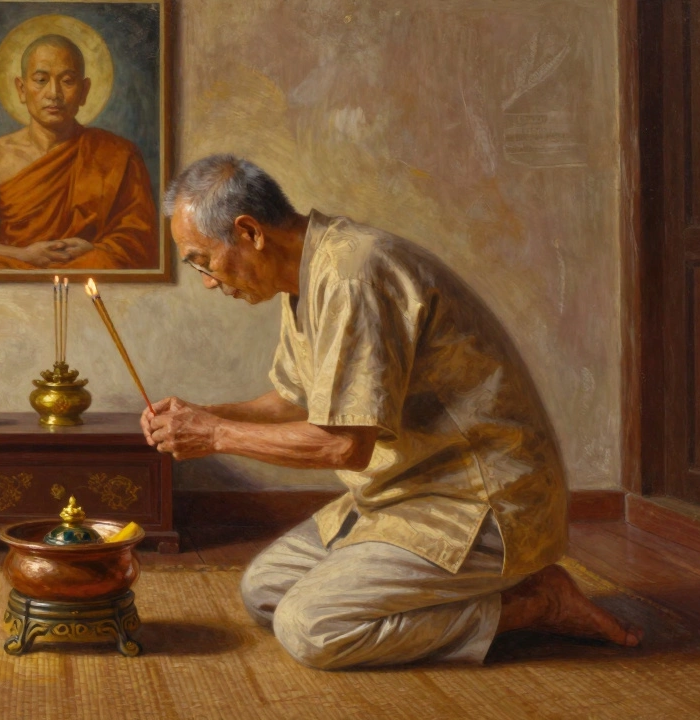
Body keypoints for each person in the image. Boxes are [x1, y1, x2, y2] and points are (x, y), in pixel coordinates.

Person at [143, 154, 643, 669]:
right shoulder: (305, 276)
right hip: (403, 492)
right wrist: (202, 414)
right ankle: (486, 591)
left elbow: (344, 445)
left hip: (480, 502)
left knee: (310, 627)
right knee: (264, 591)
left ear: (248, 232)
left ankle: (532, 604)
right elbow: (295, 399)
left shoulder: (353, 275)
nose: (206, 279)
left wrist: (215, 435)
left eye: (202, 259)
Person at [0, 34, 157, 270]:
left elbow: (141, 242)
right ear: (21, 89)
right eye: (41, 79)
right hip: (17, 273)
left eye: (68, 81)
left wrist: (94, 250)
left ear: (84, 91)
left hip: (86, 271)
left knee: (98, 264)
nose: (53, 93)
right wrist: (26, 256)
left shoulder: (119, 153)